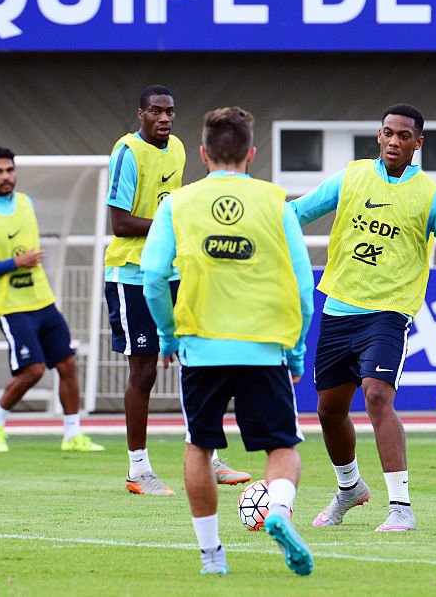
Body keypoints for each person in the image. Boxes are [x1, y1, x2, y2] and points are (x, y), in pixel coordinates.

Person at [291, 103, 436, 532]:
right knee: (328, 411)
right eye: (388, 133)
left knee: (377, 395)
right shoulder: (351, 177)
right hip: (338, 310)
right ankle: (349, 489)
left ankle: (400, 507)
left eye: (404, 136)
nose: (394, 141)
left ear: (419, 142)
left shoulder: (433, 197)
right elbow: (296, 214)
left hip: (389, 314)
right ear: (379, 135)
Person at [141, 106, 314, 576]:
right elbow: (302, 287)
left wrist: (167, 335)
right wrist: (295, 350)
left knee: (199, 446)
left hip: (202, 345)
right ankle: (278, 513)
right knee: (281, 448)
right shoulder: (276, 203)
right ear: (251, 154)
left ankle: (212, 556)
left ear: (202, 153)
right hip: (263, 346)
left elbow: (153, 275)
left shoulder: (177, 204)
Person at [105, 85, 247, 495]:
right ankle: (138, 470)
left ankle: (211, 455)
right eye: (156, 111)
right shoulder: (127, 153)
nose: (164, 118)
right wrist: (176, 225)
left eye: (169, 111)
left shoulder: (180, 149)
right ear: (140, 114)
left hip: (172, 271)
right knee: (144, 370)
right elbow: (120, 222)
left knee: (198, 361)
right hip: (131, 274)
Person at [0, 147, 104, 453]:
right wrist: (17, 263)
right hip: (11, 306)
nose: (6, 176)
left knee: (67, 364)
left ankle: (72, 435)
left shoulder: (26, 203)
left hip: (42, 300)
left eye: (10, 170)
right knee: (33, 369)